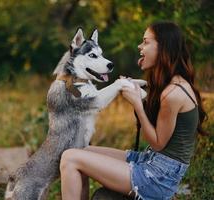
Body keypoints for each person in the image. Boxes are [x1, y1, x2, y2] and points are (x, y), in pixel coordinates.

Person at [59, 21, 207, 200]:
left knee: (70, 157)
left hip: (157, 178)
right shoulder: (173, 84)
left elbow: (158, 143)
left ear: (163, 48)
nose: (140, 46)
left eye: (145, 42)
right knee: (82, 151)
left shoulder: (173, 93)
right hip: (149, 161)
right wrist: (137, 91)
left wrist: (137, 104)